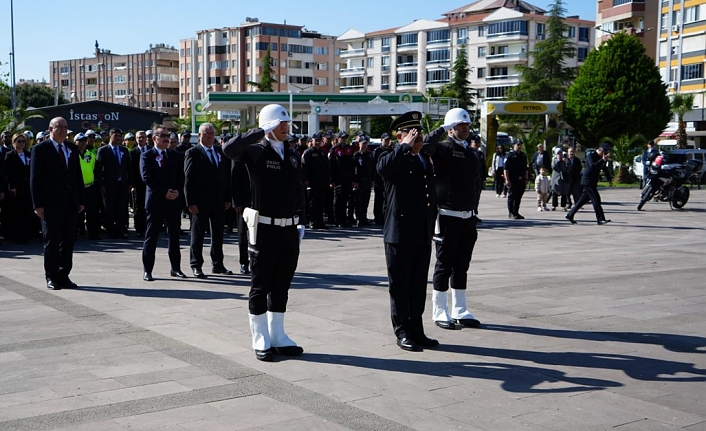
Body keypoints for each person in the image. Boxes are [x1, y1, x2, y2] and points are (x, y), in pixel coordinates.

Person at [223, 104, 307, 362]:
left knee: (282, 285)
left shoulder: (292, 155)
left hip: (289, 229)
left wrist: (301, 220)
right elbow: (228, 149)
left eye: (286, 123)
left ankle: (278, 335)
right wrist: (258, 131)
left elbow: (298, 190)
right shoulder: (255, 152)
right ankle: (260, 337)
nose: (285, 127)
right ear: (269, 125)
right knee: (261, 285)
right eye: (280, 123)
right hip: (264, 229)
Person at [378, 111, 439, 351]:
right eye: (412, 134)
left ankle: (417, 329)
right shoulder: (390, 156)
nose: (418, 138)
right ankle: (402, 331)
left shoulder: (423, 159)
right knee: (400, 286)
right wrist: (403, 147)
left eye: (419, 133)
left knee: (417, 286)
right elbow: (384, 169)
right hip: (399, 234)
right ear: (400, 136)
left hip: (421, 232)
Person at [423, 108, 481, 331]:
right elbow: (427, 145)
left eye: (466, 125)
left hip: (467, 217)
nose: (464, 129)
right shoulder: (443, 149)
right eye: (459, 126)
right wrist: (440, 129)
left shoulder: (470, 152)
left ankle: (461, 309)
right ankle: (440, 311)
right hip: (447, 216)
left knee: (462, 266)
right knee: (444, 265)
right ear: (450, 128)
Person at [30, 117, 85, 290]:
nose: (62, 130)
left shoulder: (72, 148)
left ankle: (64, 275)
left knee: (68, 241)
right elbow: (35, 179)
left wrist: (80, 200)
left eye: (65, 127)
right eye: (59, 127)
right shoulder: (40, 149)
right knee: (51, 241)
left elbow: (77, 176)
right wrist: (37, 204)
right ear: (50, 129)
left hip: (70, 203)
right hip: (50, 204)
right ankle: (51, 276)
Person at [184, 123, 233, 278]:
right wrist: (190, 202)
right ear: (199, 135)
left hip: (218, 201)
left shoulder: (220, 152)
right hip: (200, 202)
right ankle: (196, 265)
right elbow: (188, 179)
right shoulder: (193, 153)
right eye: (206, 133)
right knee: (198, 235)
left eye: (212, 133)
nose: (210, 136)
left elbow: (225, 177)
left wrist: (227, 197)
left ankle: (218, 264)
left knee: (218, 234)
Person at [140, 125, 187, 281]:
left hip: (173, 202)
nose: (167, 138)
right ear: (154, 138)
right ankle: (148, 270)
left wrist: (178, 191)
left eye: (168, 135)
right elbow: (147, 178)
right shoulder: (147, 156)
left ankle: (176, 268)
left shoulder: (175, 155)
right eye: (163, 136)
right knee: (151, 236)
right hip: (156, 202)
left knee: (174, 236)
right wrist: (164, 192)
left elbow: (182, 176)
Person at [95, 128, 131, 239]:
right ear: (110, 137)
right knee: (109, 209)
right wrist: (101, 185)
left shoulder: (124, 150)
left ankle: (120, 231)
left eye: (120, 136)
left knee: (121, 209)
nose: (118, 138)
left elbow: (128, 168)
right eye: (116, 136)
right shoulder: (103, 150)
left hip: (122, 185)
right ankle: (111, 231)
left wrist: (130, 183)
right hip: (109, 185)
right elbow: (98, 169)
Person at [566, 143, 613, 225]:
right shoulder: (590, 156)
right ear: (600, 150)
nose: (605, 154)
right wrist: (602, 160)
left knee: (582, 201)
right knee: (596, 200)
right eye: (604, 152)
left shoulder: (600, 158)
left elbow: (604, 168)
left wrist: (609, 179)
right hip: (587, 182)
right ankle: (600, 219)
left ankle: (570, 215)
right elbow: (592, 166)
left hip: (593, 182)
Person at [3, 133, 37, 243]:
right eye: (19, 141)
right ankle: (15, 235)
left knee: (27, 210)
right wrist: (12, 186)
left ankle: (28, 234)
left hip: (27, 186)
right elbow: (8, 173)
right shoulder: (10, 155)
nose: (21, 143)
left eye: (23, 141)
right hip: (16, 187)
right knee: (16, 211)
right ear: (13, 143)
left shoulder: (28, 154)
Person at [301, 132, 329, 229]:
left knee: (320, 202)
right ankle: (312, 221)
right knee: (312, 203)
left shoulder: (322, 153)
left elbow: (326, 168)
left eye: (319, 141)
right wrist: (305, 179)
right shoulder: (308, 153)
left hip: (321, 182)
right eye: (316, 140)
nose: (317, 142)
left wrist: (327, 180)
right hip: (312, 182)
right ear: (311, 141)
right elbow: (304, 167)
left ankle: (320, 221)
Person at [75, 133, 101, 240]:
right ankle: (76, 232)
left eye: (85, 141)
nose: (83, 143)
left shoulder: (91, 155)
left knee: (92, 212)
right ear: (75, 142)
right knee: (76, 212)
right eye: (80, 141)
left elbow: (95, 170)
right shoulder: (71, 155)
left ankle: (92, 233)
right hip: (77, 188)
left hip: (89, 187)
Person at [329, 131, 355, 227]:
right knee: (338, 200)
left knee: (345, 200)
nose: (344, 140)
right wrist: (331, 180)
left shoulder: (349, 149)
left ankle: (344, 219)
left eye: (345, 138)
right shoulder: (334, 150)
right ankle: (338, 220)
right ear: (338, 138)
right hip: (338, 178)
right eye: (342, 138)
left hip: (347, 178)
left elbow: (352, 165)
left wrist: (353, 179)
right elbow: (331, 166)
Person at [231, 159, 251, 274]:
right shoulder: (239, 156)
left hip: (260, 201)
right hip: (244, 202)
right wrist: (237, 202)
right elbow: (235, 179)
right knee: (243, 234)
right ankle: (244, 263)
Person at [130, 131, 149, 238]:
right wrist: (133, 185)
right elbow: (131, 170)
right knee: (139, 207)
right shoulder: (133, 153)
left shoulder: (151, 150)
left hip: (150, 184)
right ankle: (139, 228)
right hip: (138, 185)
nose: (141, 139)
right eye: (138, 138)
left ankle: (149, 227)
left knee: (150, 207)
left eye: (142, 137)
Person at [353, 135, 374, 227]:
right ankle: (358, 218)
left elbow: (373, 168)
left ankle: (364, 218)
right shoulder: (356, 155)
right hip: (359, 181)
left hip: (367, 181)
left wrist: (373, 179)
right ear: (359, 144)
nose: (365, 145)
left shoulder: (369, 155)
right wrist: (354, 181)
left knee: (366, 201)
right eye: (363, 143)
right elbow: (353, 169)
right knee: (359, 201)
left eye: (366, 143)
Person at [372, 132, 393, 225]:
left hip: (387, 180)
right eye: (385, 140)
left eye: (388, 140)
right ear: (381, 140)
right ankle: (377, 218)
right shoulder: (377, 151)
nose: (387, 141)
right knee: (379, 200)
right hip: (379, 180)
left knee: (386, 200)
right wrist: (374, 179)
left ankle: (385, 217)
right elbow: (373, 166)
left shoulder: (391, 151)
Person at [504, 139, 528, 219]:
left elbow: (525, 168)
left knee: (518, 196)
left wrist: (526, 178)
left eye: (520, 145)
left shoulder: (523, 155)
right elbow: (506, 168)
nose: (519, 146)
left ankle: (516, 212)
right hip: (512, 179)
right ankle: (511, 212)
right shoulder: (510, 156)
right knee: (512, 196)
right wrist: (507, 179)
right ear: (513, 145)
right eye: (518, 145)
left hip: (521, 179)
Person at [469, 135, 485, 222]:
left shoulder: (480, 154)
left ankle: (474, 213)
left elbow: (483, 167)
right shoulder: (468, 152)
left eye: (478, 142)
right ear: (471, 143)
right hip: (471, 178)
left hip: (478, 178)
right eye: (475, 142)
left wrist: (484, 179)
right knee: (471, 197)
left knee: (477, 197)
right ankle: (470, 214)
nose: (477, 144)